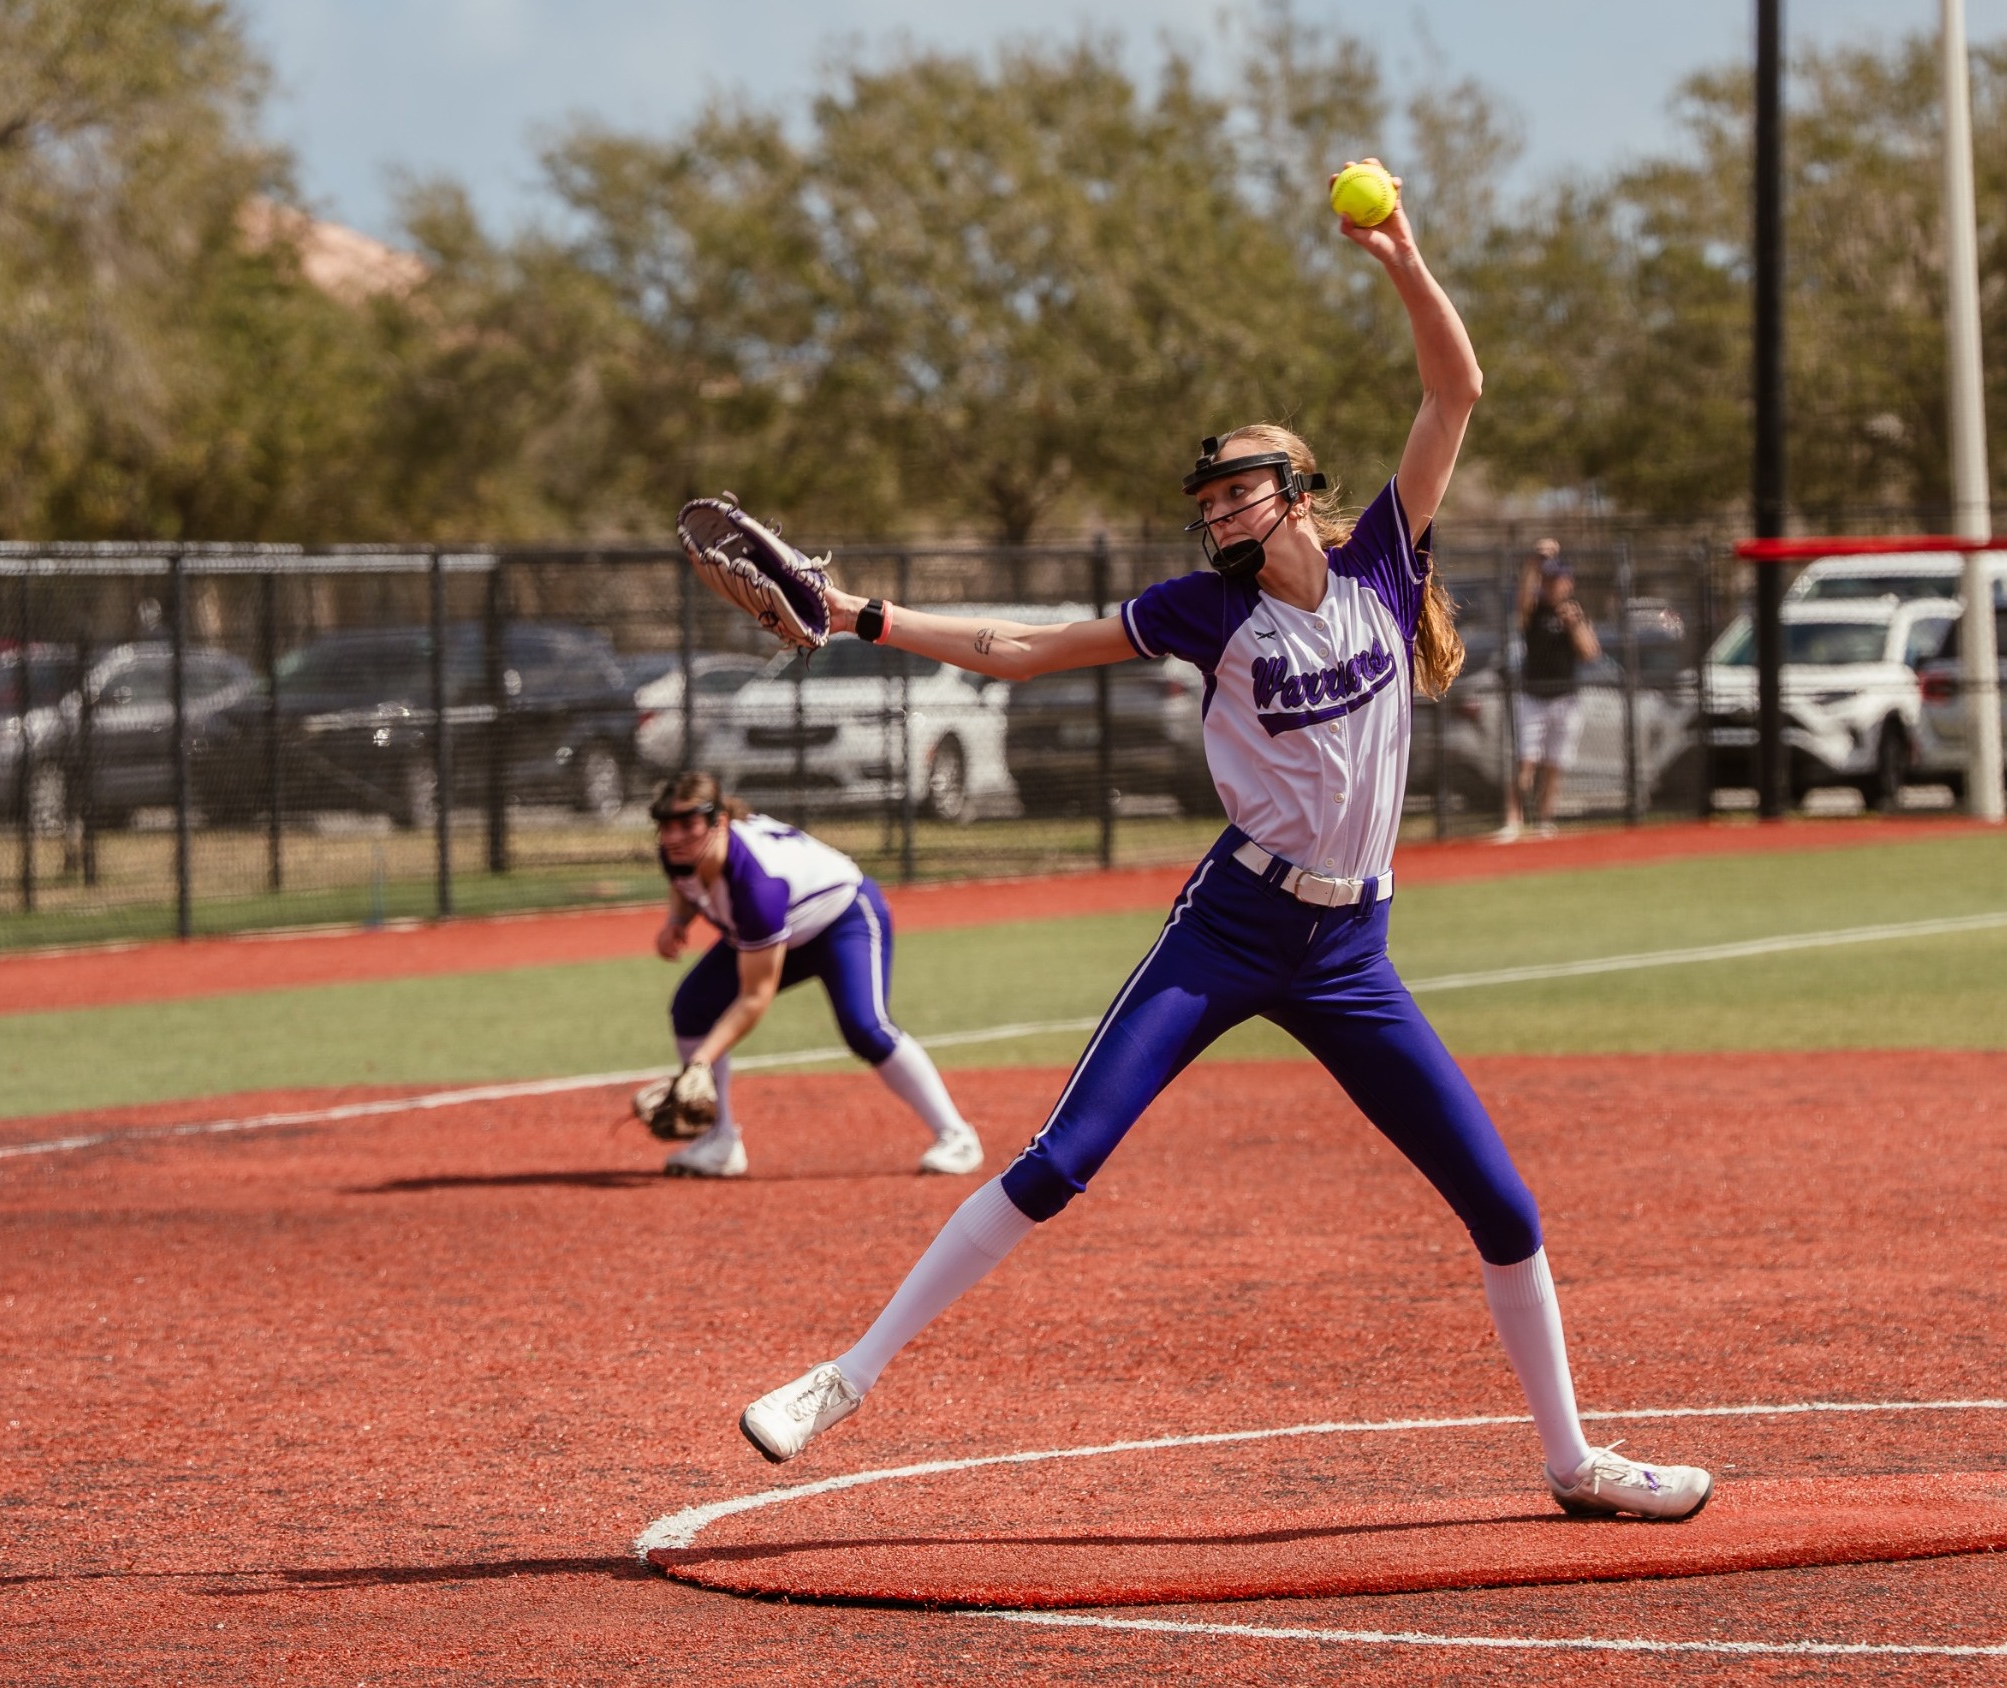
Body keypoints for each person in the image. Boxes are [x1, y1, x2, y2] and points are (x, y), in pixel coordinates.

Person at [728, 160, 1711, 1522]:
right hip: (1232, 929)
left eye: (1240, 491)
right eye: (1208, 505)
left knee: (1502, 1202)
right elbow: (1025, 650)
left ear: (1297, 490)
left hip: (1351, 948)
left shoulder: (1383, 563)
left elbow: (1455, 392)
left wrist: (1407, 264)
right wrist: (861, 616)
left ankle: (1572, 1462)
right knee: (1062, 1162)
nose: (1219, 515)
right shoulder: (1203, 609)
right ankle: (839, 1380)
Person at [646, 771, 984, 1180]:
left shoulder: (757, 886)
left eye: (687, 823)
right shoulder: (680, 852)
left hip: (843, 918)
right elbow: (686, 886)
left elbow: (756, 996)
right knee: (692, 1008)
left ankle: (957, 1135)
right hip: (780, 930)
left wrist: (699, 1063)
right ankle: (720, 1143)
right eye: (666, 824)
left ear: (719, 822)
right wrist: (676, 922)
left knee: (865, 1027)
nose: (674, 836)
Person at [1495, 539, 1600, 842]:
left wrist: (1574, 624)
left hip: (1566, 699)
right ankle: (1513, 821)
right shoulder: (1535, 611)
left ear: (1569, 582)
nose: (1554, 585)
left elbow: (1591, 653)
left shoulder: (1576, 613)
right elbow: (1522, 600)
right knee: (1526, 762)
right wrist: (1533, 563)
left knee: (1555, 764)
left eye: (1560, 579)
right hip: (1533, 696)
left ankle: (1544, 820)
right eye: (1549, 579)